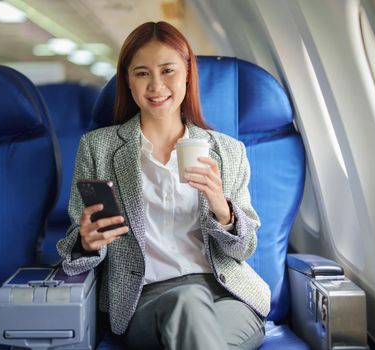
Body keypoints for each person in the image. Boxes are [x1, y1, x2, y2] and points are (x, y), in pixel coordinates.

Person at [57, 21, 270, 350]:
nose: (156, 86)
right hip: (144, 298)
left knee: (197, 326)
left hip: (228, 295)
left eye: (168, 70)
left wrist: (220, 207)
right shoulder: (97, 149)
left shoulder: (228, 152)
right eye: (142, 73)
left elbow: (243, 250)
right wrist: (87, 243)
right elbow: (75, 254)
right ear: (127, 81)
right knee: (188, 302)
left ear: (187, 74)